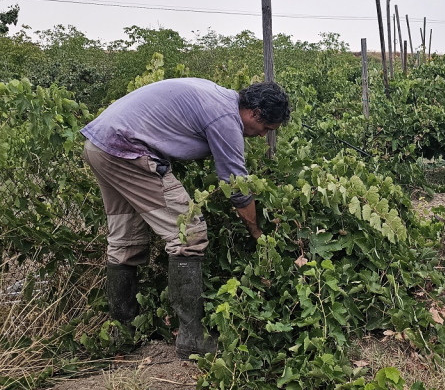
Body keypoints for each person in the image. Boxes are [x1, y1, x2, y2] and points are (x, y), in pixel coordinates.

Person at [81, 78, 291, 358]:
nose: (263, 135)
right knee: (188, 234)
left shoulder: (219, 96)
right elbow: (236, 185)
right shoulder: (226, 118)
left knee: (125, 240)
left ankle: (124, 332)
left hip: (100, 146)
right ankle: (192, 338)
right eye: (266, 128)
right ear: (254, 113)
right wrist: (256, 232)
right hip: (127, 149)